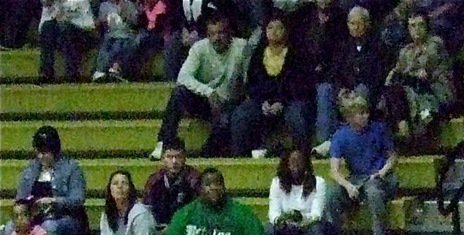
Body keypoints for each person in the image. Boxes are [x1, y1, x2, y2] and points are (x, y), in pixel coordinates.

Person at [150, 11, 249, 160]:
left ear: (230, 33)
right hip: (205, 101)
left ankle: (206, 154)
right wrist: (208, 92)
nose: (217, 38)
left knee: (228, 119)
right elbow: (183, 77)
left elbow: (249, 79)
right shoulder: (199, 48)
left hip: (231, 102)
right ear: (207, 35)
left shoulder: (241, 47)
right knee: (179, 93)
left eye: (221, 33)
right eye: (212, 34)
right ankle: (164, 142)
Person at [229, 12, 313, 157]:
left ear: (286, 31)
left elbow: (301, 85)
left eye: (279, 28)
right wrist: (263, 102)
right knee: (241, 115)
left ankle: (303, 156)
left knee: (297, 116)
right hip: (263, 102)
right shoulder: (258, 54)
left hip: (291, 100)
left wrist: (282, 101)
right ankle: (239, 157)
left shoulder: (298, 53)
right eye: (270, 28)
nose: (274, 32)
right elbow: (252, 84)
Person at [325, 94, 398, 235]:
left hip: (380, 175)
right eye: (361, 113)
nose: (366, 115)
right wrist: (348, 185)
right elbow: (334, 170)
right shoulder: (340, 136)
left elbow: (392, 156)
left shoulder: (379, 129)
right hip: (357, 178)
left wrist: (382, 172)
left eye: (366, 112)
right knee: (331, 194)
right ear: (350, 117)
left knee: (373, 192)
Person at [15, 125, 89, 235]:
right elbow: (20, 198)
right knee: (11, 227)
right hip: (36, 217)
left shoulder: (71, 168)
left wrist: (54, 201)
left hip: (66, 218)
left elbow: (78, 199)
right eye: (39, 153)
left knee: (49, 227)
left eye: (46, 153)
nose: (42, 157)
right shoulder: (30, 170)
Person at [317, 6, 387, 158]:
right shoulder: (342, 46)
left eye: (359, 23)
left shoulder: (378, 45)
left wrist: (354, 92)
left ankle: (342, 142)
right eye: (351, 23)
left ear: (367, 24)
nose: (355, 27)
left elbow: (378, 76)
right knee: (324, 89)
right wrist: (340, 90)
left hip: (368, 91)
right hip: (345, 91)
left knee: (361, 91)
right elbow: (334, 73)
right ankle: (325, 141)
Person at [381, 11, 457, 143]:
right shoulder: (405, 50)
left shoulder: (435, 43)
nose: (416, 29)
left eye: (420, 25)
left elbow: (427, 66)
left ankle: (406, 130)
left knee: (399, 92)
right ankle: (403, 128)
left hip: (436, 89)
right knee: (392, 92)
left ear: (427, 26)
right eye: (412, 26)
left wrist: (408, 73)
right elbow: (397, 73)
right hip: (412, 87)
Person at [264, 149, 333, 235]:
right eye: (292, 163)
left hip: (310, 227)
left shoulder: (318, 182)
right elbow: (273, 212)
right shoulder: (277, 183)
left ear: (306, 164)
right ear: (286, 165)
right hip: (287, 227)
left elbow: (316, 214)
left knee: (316, 229)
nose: (295, 167)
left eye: (299, 163)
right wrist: (281, 220)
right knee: (268, 229)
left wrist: (298, 218)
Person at [304, 0, 345, 156]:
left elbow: (341, 56)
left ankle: (324, 145)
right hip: (305, 77)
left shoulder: (341, 19)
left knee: (324, 90)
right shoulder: (304, 17)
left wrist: (325, 70)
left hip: (331, 77)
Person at [142, 138, 202, 229]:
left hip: (187, 228)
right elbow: (147, 208)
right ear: (163, 158)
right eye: (169, 157)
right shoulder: (154, 180)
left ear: (185, 158)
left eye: (178, 157)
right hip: (159, 228)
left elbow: (199, 209)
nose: (174, 162)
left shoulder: (194, 179)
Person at [38, 0, 96, 82]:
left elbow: (89, 26)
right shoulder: (52, 4)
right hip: (58, 34)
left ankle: (72, 73)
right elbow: (42, 27)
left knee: (68, 31)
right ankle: (46, 72)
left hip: (81, 33)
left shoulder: (80, 2)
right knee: (48, 27)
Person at [91, 0, 142, 81]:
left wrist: (126, 14)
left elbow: (135, 22)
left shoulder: (128, 4)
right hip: (110, 34)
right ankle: (104, 70)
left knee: (119, 45)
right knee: (106, 46)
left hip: (126, 33)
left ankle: (105, 70)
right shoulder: (104, 5)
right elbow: (102, 22)